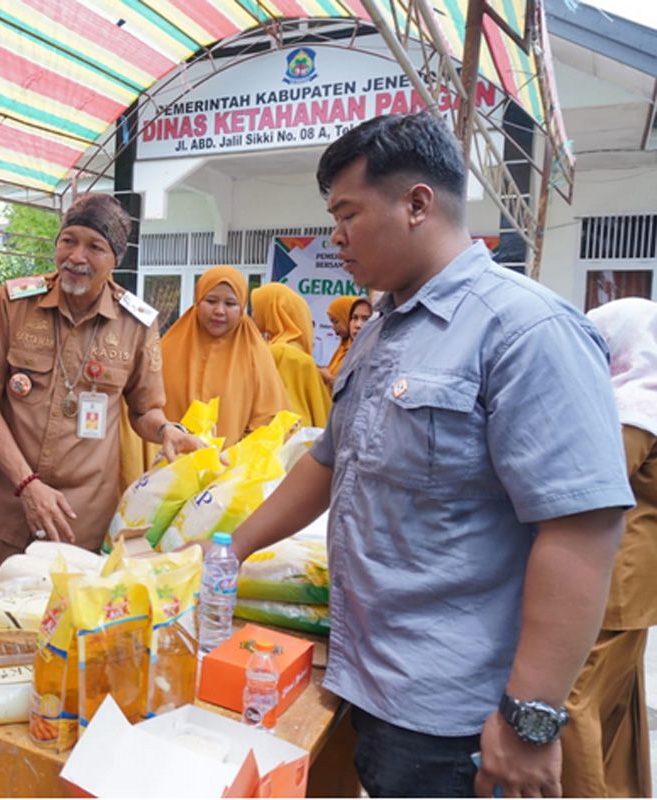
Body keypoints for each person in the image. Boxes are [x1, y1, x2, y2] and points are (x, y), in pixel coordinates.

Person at [225, 113, 633, 798]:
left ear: (417, 203)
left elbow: (582, 530)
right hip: (370, 675)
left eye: (347, 213)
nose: (336, 237)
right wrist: (226, 551)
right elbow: (329, 461)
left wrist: (529, 717)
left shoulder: (525, 329)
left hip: (458, 716)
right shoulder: (383, 327)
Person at [0, 193, 206, 587]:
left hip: (79, 521)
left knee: (62, 633)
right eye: (68, 241)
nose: (77, 256)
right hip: (7, 506)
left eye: (95, 247)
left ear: (115, 260)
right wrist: (27, 485)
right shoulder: (14, 303)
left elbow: (145, 411)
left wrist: (168, 432)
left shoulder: (137, 324)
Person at [564, 297, 657, 797]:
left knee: (571, 701)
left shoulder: (635, 408)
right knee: (615, 703)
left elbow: (595, 490)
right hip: (635, 579)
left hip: (612, 579)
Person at [160, 266, 287, 447]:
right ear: (197, 301)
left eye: (230, 304)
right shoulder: (168, 348)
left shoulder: (256, 354)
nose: (219, 311)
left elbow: (269, 417)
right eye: (211, 301)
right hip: (170, 463)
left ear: (242, 307)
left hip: (231, 467)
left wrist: (237, 459)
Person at [249, 282, 331, 427]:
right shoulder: (293, 348)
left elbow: (288, 411)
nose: (253, 315)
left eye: (257, 309)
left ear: (271, 311)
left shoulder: (281, 352)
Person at [321, 294, 358, 386]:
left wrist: (330, 380)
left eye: (336, 321)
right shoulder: (343, 347)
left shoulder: (362, 350)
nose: (333, 327)